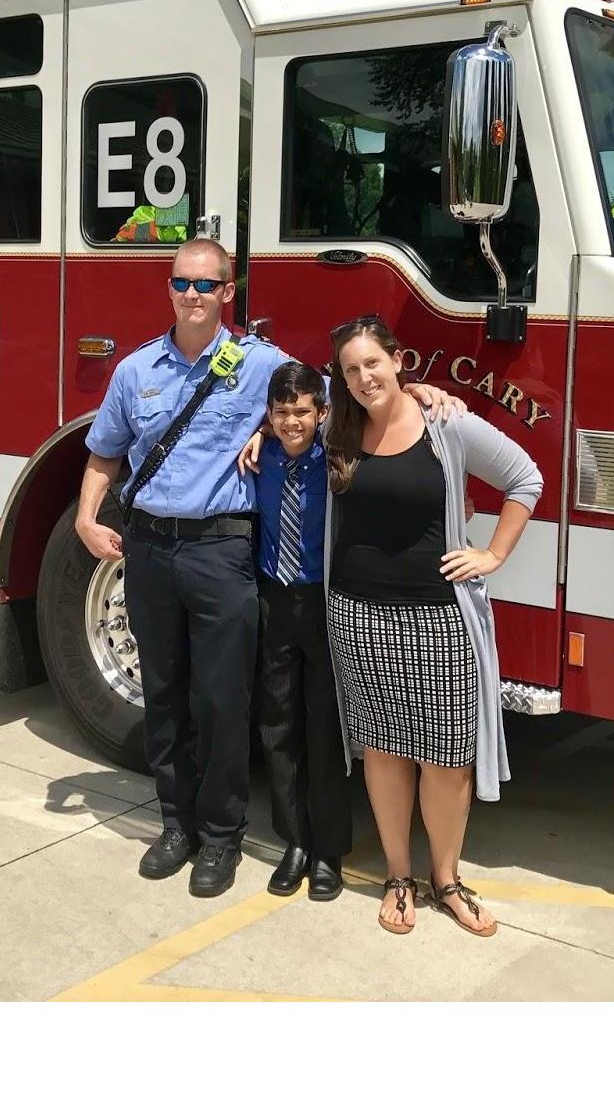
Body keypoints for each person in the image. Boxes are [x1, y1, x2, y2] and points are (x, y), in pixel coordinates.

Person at [76, 241, 460, 899]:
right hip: (149, 550)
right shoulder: (135, 370)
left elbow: (340, 390)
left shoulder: (258, 364)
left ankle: (221, 839)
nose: (193, 295)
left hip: (222, 549)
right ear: (168, 290)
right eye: (181, 283)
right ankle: (178, 825)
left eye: (206, 284)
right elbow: (104, 454)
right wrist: (87, 518)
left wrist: (411, 390)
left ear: (229, 291)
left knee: (223, 700)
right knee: (165, 694)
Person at [323, 314, 542, 937]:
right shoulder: (337, 427)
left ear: (398, 360)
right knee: (385, 751)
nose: (364, 377)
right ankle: (399, 876)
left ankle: (446, 880)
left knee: (448, 759)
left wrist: (493, 553)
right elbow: (287, 406)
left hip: (439, 617)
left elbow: (525, 476)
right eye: (351, 368)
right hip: (358, 615)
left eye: (374, 363)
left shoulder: (446, 423)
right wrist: (260, 437)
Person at [249, 361, 350, 900]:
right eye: (283, 412)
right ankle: (293, 841)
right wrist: (253, 432)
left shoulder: (335, 460)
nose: (293, 422)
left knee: (324, 725)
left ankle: (329, 849)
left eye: (303, 412)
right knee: (278, 722)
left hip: (322, 601)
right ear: (269, 415)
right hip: (274, 598)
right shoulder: (257, 454)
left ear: (322, 412)